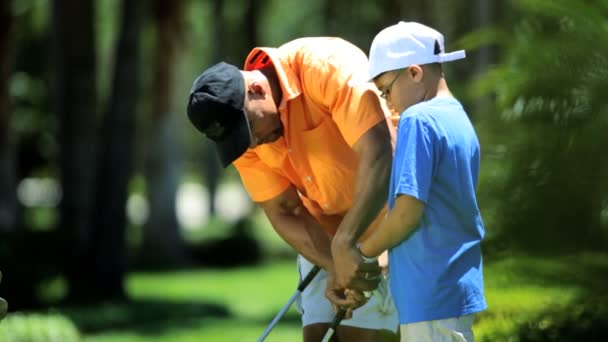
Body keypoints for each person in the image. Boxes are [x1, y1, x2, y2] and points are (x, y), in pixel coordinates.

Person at [186, 37, 399, 341]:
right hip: (330, 234)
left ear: (256, 90)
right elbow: (285, 209)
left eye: (247, 131)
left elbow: (380, 151)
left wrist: (346, 245)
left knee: (359, 336)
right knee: (316, 335)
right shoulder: (248, 137)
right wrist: (333, 263)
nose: (252, 143)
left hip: (392, 217)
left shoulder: (325, 66)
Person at [357, 21, 488, 341]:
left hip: (430, 293)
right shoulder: (457, 116)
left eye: (386, 90)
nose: (388, 104)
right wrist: (390, 256)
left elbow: (407, 212)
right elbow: (437, 209)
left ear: (414, 73)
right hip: (453, 286)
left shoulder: (418, 119)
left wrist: (363, 252)